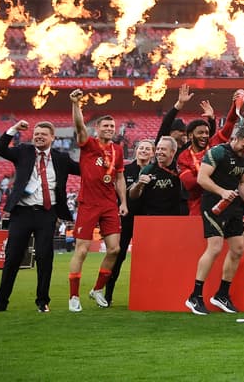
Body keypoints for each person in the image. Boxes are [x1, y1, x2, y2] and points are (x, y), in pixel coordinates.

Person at [0, 119, 78, 313]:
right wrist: (13, 129)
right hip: (22, 213)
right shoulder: (23, 152)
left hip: (47, 214)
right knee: (12, 258)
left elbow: (83, 170)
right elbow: (1, 148)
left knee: (45, 259)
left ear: (53, 137)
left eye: (43, 134)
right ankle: (0, 303)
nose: (38, 136)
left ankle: (42, 302)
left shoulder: (61, 158)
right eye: (36, 133)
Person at [186, 125, 244, 315]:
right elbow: (202, 179)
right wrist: (221, 192)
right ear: (235, 138)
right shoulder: (217, 152)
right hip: (213, 204)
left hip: (233, 206)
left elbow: (242, 182)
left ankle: (222, 295)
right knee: (215, 248)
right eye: (243, 146)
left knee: (238, 249)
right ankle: (195, 296)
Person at [67, 89, 128, 312]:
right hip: (88, 204)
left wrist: (123, 202)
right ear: (97, 128)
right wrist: (76, 104)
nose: (110, 129)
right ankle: (74, 296)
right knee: (82, 250)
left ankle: (97, 289)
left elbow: (120, 177)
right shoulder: (89, 143)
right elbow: (79, 126)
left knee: (114, 250)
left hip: (110, 204)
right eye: (106, 126)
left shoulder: (118, 150)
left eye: (112, 127)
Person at [102, 138, 154, 306]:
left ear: (153, 153)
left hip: (147, 221)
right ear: (136, 151)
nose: (144, 151)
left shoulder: (156, 171)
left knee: (147, 258)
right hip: (126, 219)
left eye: (148, 148)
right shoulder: (125, 170)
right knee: (118, 255)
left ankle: (149, 295)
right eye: (141, 148)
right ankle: (107, 295)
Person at [178, 95, 238, 215]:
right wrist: (217, 177)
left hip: (222, 200)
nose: (205, 136)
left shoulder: (214, 143)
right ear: (190, 135)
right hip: (197, 206)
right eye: (200, 133)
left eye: (206, 132)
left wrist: (235, 104)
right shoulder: (183, 157)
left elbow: (230, 122)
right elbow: (190, 185)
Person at [127, 136, 185, 216]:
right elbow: (132, 196)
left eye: (163, 149)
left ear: (173, 152)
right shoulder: (148, 169)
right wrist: (139, 184)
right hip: (152, 218)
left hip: (174, 218)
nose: (159, 152)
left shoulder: (180, 169)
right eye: (158, 149)